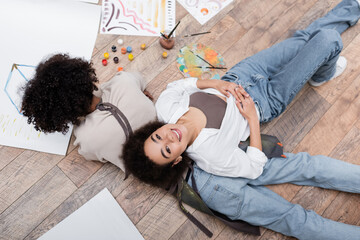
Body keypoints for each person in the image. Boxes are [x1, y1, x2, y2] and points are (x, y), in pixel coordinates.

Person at [122, 0, 360, 239]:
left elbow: (179, 85)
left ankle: (351, 10)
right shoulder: (210, 155)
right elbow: (254, 166)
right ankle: (323, 71)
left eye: (157, 136)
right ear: (176, 161)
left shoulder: (165, 108)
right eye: (167, 150)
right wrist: (252, 119)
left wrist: (216, 82)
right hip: (266, 100)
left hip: (241, 74)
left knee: (305, 39)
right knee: (327, 40)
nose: (168, 138)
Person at [22, 54, 156, 171]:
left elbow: (89, 153)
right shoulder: (123, 80)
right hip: (160, 128)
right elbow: (138, 78)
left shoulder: (85, 138)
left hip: (139, 168)